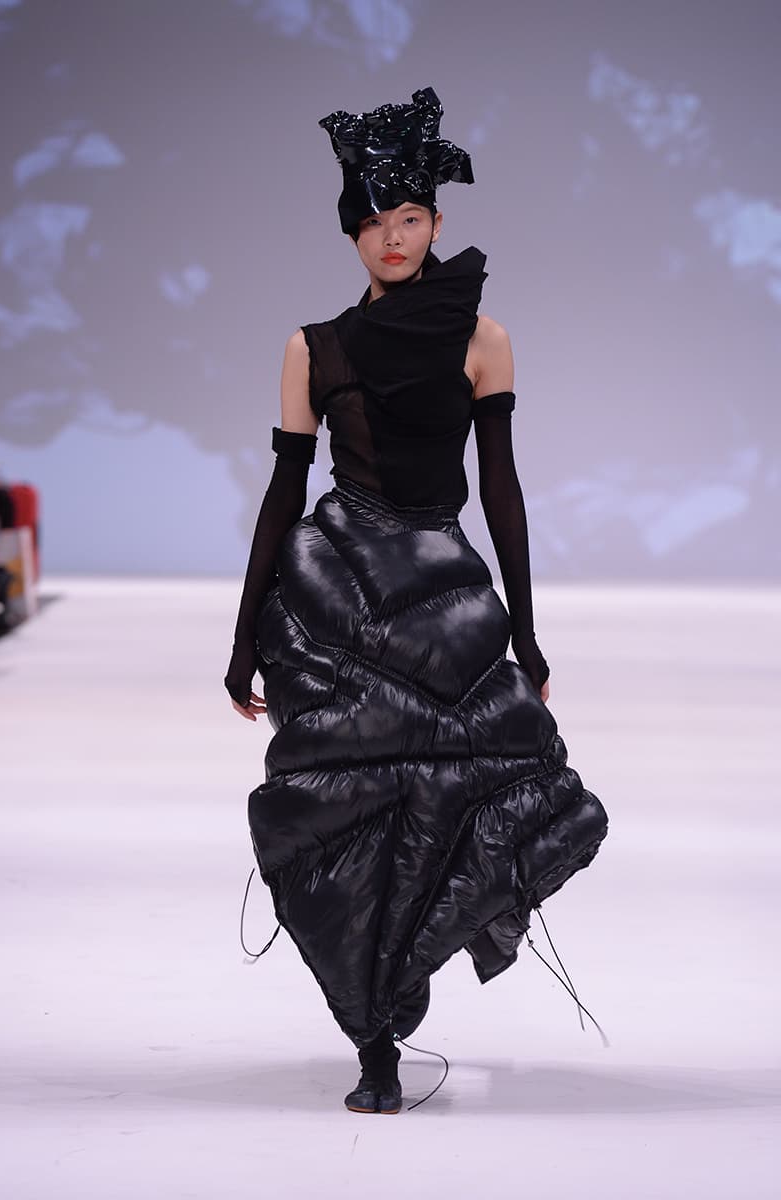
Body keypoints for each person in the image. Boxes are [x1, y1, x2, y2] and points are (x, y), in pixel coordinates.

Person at [225, 87, 607, 1115]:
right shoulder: (314, 347)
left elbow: (502, 490)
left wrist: (526, 632)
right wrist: (242, 637)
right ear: (350, 234)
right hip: (334, 600)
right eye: (371, 223)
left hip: (441, 596)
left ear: (437, 222)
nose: (390, 239)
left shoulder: (483, 340)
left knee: (454, 802)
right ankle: (376, 1038)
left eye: (407, 219)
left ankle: (392, 999)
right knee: (346, 813)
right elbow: (282, 493)